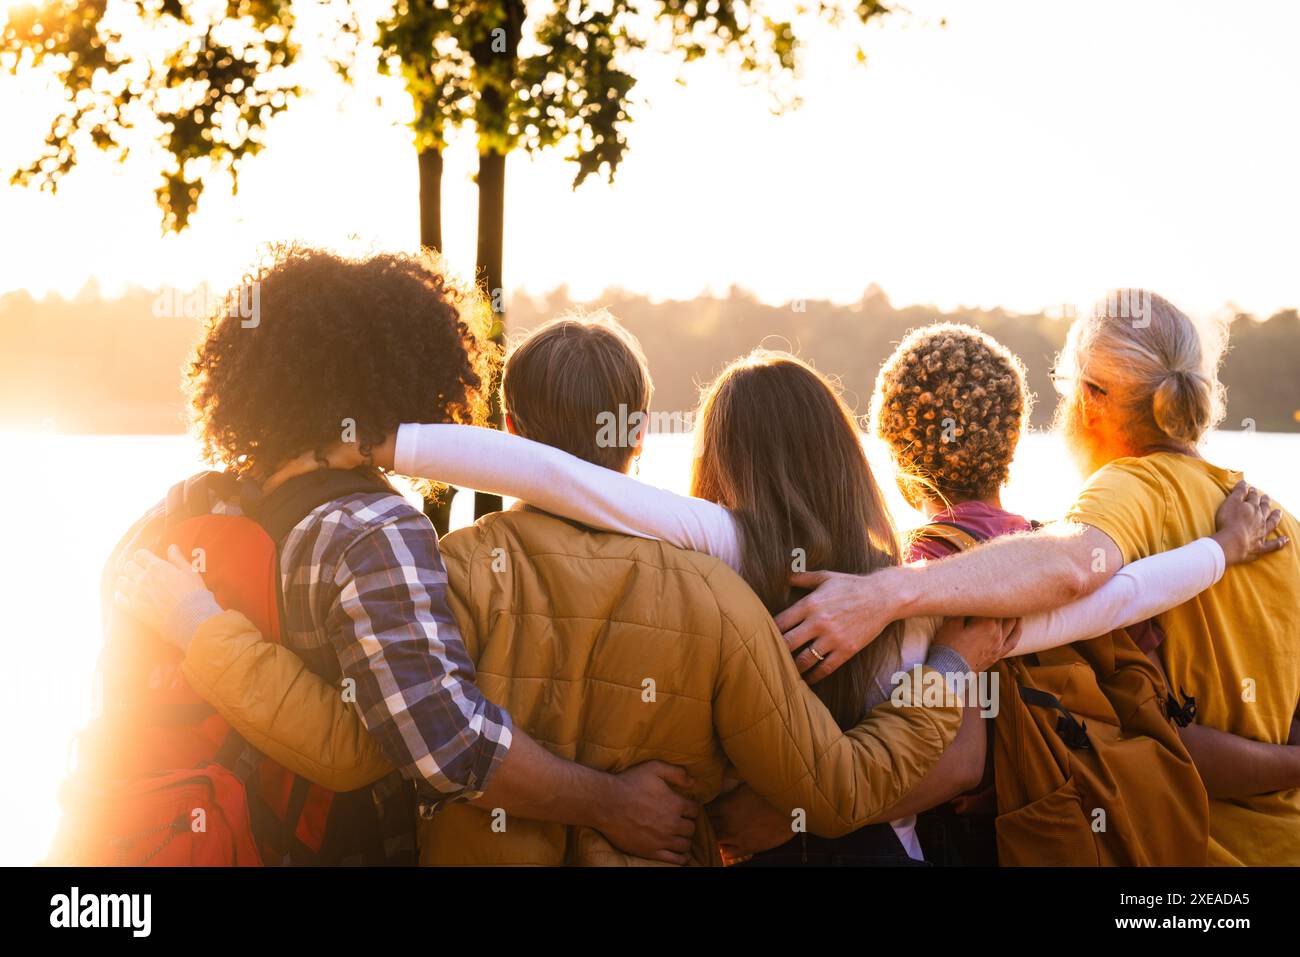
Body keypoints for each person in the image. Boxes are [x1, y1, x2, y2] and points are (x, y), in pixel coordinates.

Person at [135, 294, 1277, 864]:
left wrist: (376, 443)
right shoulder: (741, 586)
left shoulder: (462, 571)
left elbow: (371, 737)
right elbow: (1103, 596)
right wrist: (1219, 554)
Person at [109, 248, 704, 865]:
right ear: (412, 378)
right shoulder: (375, 531)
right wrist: (613, 803)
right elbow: (447, 748)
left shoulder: (172, 519)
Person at [779, 290, 1298, 866]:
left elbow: (1074, 570)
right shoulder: (1280, 523)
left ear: (1091, 399)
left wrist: (886, 592)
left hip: (1187, 855)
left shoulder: (1122, 497)